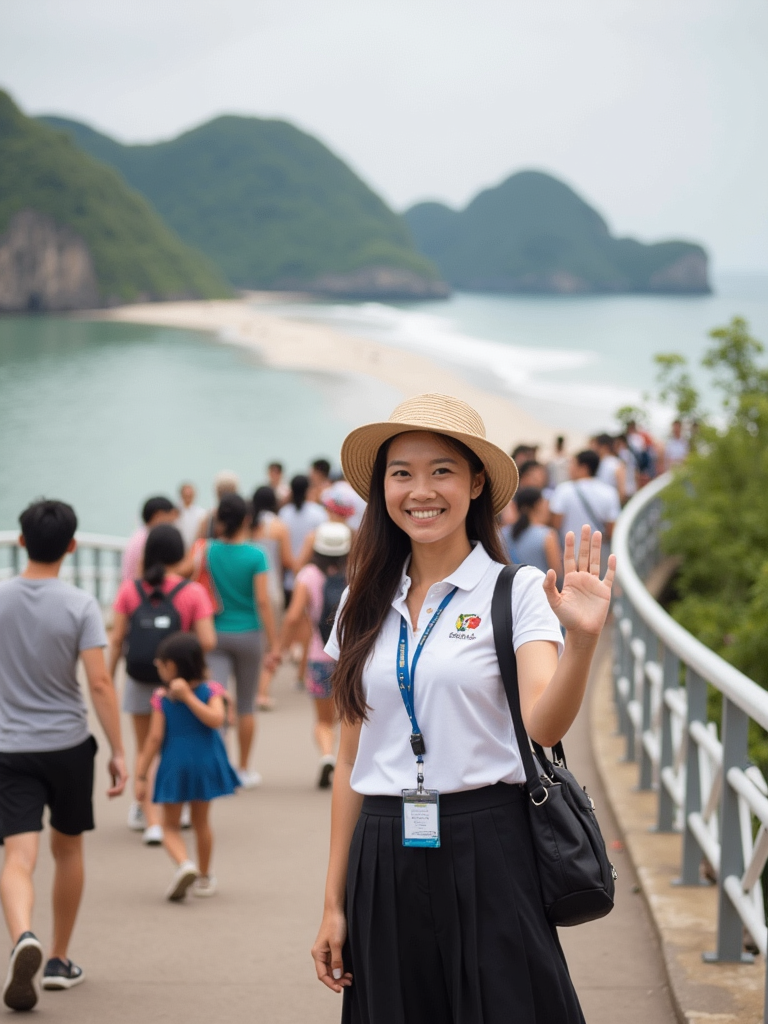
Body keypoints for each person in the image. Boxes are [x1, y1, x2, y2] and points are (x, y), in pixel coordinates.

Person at [310, 393, 615, 1022]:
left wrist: (581, 641)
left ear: (477, 483)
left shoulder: (519, 591)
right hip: (383, 849)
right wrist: (333, 901)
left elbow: (545, 724)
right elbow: (348, 760)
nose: (421, 490)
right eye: (402, 473)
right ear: (383, 489)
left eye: (442, 470)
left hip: (490, 845)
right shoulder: (359, 603)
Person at [0, 500, 128, 1010]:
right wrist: (119, 750)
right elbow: (98, 682)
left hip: (9, 747)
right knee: (68, 849)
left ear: (21, 542)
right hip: (69, 746)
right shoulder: (80, 605)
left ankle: (23, 935)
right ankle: (57, 959)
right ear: (72, 547)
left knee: (18, 855)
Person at [109, 524, 215, 844]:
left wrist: (109, 677)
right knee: (171, 746)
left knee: (146, 748)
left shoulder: (130, 589)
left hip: (140, 679)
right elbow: (208, 640)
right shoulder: (192, 591)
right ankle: (174, 809)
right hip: (178, 686)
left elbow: (116, 639)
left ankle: (150, 819)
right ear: (179, 553)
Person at [135, 632, 239, 901]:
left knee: (169, 825)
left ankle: (184, 864)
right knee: (201, 822)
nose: (158, 667)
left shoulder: (163, 698)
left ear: (172, 666)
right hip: (205, 763)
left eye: (161, 663)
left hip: (174, 765)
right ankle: (204, 877)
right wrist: (194, 698)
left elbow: (155, 738)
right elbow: (218, 719)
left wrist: (141, 774)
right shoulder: (212, 689)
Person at [203, 494, 280, 788]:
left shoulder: (208, 551)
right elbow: (263, 601)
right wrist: (273, 643)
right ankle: (244, 769)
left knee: (217, 701)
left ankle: (218, 767)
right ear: (248, 519)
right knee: (246, 705)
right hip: (249, 634)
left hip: (215, 634)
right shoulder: (256, 555)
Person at [279, 522, 351, 789]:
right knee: (350, 717)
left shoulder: (308, 575)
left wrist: (279, 650)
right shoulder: (357, 572)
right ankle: (348, 763)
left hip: (320, 657)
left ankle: (326, 755)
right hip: (352, 658)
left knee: (323, 721)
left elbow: (294, 615)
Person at [251, 486, 294, 711]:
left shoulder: (247, 527)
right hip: (272, 590)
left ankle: (250, 688)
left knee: (253, 641)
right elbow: (287, 560)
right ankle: (262, 691)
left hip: (247, 591)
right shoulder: (278, 527)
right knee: (272, 643)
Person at [549, 450, 621, 561]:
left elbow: (556, 524)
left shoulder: (563, 490)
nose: (569, 468)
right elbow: (611, 530)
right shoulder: (610, 492)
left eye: (573, 464)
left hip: (568, 553)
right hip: (597, 555)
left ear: (584, 468)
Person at [278, 474, 328, 603]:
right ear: (308, 489)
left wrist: (294, 567)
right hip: (312, 578)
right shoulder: (319, 513)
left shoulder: (284, 513)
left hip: (288, 579)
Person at [505, 486, 563, 578]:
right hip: (542, 590)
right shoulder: (547, 535)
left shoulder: (501, 534)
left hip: (509, 590)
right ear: (538, 505)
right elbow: (557, 575)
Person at [121, 496, 177, 582]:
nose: (173, 524)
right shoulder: (148, 540)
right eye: (170, 518)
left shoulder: (140, 534)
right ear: (158, 516)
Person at [594, 434, 627, 504]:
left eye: (596, 446)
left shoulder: (616, 464)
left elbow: (622, 491)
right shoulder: (599, 462)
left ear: (604, 447)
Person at [177, 483, 207, 551]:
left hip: (195, 549)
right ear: (181, 495)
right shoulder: (175, 513)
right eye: (186, 495)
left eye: (190, 495)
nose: (188, 496)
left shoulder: (201, 513)